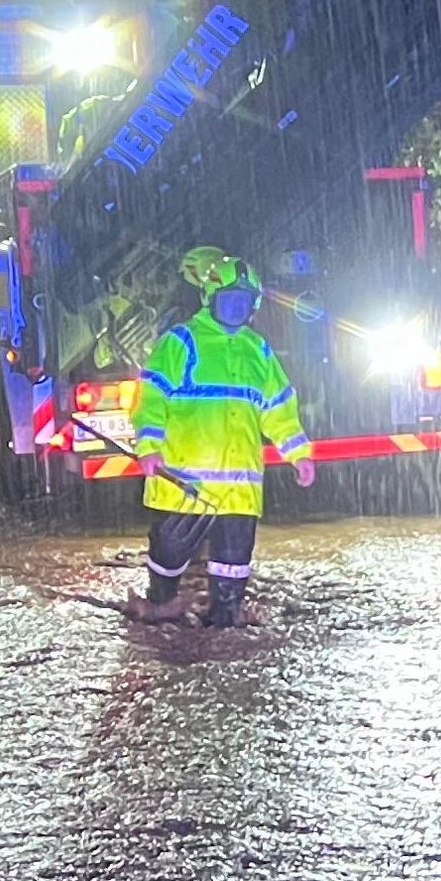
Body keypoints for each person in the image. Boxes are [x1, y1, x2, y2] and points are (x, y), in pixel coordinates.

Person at [133, 248, 315, 625]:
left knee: (232, 571)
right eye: (228, 300)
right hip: (182, 487)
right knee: (167, 563)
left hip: (239, 494)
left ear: (253, 306)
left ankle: (223, 630)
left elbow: (279, 407)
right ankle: (159, 612)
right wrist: (149, 447)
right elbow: (152, 397)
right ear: (210, 300)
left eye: (242, 302)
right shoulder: (181, 342)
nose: (235, 308)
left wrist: (299, 453)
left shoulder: (258, 350)